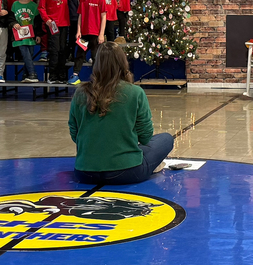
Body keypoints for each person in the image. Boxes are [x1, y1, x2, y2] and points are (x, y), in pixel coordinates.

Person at [68, 42, 174, 185]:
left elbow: (75, 134)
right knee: (166, 139)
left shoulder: (80, 93)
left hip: (85, 172)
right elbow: (146, 136)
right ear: (123, 63)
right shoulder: (135, 92)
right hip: (127, 172)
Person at [39, 0, 81, 84]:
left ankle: (62, 75)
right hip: (53, 25)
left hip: (64, 23)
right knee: (54, 49)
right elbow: (41, 7)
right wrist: (47, 20)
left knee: (63, 49)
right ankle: (53, 75)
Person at [71, 0, 107, 85]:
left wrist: (101, 34)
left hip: (95, 34)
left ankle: (97, 78)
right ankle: (75, 75)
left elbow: (103, 17)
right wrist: (79, 31)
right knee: (80, 54)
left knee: (95, 56)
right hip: (84, 34)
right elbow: (80, 16)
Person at [11, 0, 39, 82]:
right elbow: (11, 18)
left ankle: (25, 75)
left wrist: (38, 35)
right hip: (19, 36)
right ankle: (32, 74)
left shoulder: (34, 6)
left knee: (29, 56)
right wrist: (14, 23)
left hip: (30, 36)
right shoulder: (15, 4)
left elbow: (37, 23)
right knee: (25, 54)